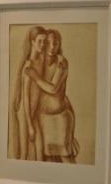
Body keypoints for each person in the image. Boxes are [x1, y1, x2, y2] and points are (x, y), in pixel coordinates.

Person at [24, 29, 79, 163]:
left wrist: (35, 76)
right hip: (44, 121)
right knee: (49, 162)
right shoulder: (39, 63)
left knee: (67, 159)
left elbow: (53, 89)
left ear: (59, 45)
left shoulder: (62, 62)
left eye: (55, 43)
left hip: (60, 120)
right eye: (48, 43)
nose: (51, 46)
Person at [10, 25, 47, 160]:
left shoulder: (42, 60)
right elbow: (25, 97)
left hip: (34, 112)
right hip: (25, 113)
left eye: (44, 41)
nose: (42, 45)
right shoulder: (28, 65)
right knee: (24, 153)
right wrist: (30, 125)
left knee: (40, 150)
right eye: (39, 41)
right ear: (32, 42)